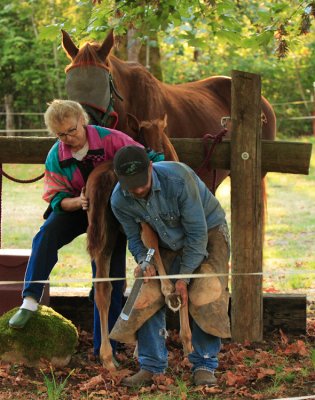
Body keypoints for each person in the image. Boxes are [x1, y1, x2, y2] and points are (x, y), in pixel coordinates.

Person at [8, 100, 163, 357]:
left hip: (115, 212)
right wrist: (77, 202)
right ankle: (31, 298)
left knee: (109, 276)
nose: (69, 138)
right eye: (61, 135)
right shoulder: (56, 156)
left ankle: (106, 348)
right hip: (78, 208)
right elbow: (56, 198)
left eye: (72, 130)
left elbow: (149, 159)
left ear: (83, 121)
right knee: (46, 235)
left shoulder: (113, 139)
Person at [110, 145, 231, 387]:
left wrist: (183, 278)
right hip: (162, 239)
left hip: (208, 230)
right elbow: (134, 239)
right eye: (131, 185)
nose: (138, 189)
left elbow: (197, 236)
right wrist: (145, 261)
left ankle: (205, 363)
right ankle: (151, 365)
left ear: (151, 168)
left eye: (141, 181)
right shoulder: (119, 200)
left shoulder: (179, 179)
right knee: (145, 292)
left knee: (206, 290)